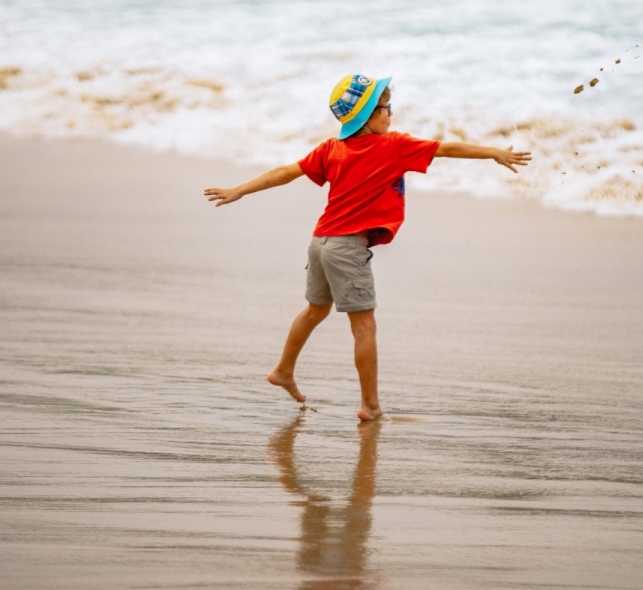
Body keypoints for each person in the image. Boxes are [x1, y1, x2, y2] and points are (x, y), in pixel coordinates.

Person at [204, 74, 531, 421]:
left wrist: (240, 189)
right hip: (346, 248)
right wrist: (494, 153)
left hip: (320, 242)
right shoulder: (394, 145)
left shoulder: (332, 148)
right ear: (369, 116)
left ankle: (284, 370)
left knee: (315, 311)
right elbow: (447, 148)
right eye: (386, 108)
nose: (391, 114)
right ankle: (370, 406)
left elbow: (288, 171)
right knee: (364, 327)